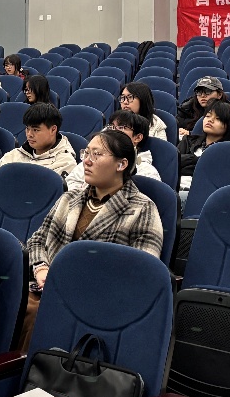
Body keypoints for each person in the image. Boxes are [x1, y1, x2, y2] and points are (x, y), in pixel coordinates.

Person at [22, 129, 162, 349]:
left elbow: (142, 270)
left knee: (38, 315)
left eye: (96, 155)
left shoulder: (141, 208)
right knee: (8, 301)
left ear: (121, 164)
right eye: (86, 153)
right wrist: (41, 268)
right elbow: (38, 239)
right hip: (47, 287)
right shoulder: (70, 198)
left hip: (97, 301)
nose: (86, 161)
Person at [0, 102, 78, 204]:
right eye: (27, 129)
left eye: (36, 130)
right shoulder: (14, 155)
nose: (29, 134)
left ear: (53, 130)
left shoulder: (65, 163)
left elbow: (49, 200)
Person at [178, 102, 230, 208]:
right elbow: (174, 164)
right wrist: (196, 160)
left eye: (218, 119)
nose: (210, 120)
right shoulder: (188, 140)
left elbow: (214, 174)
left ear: (229, 125)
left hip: (202, 194)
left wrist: (190, 162)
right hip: (176, 186)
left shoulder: (229, 151)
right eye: (208, 116)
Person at [106, 111, 161, 182]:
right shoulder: (98, 158)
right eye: (112, 127)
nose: (113, 131)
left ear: (137, 138)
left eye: (121, 127)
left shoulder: (146, 172)